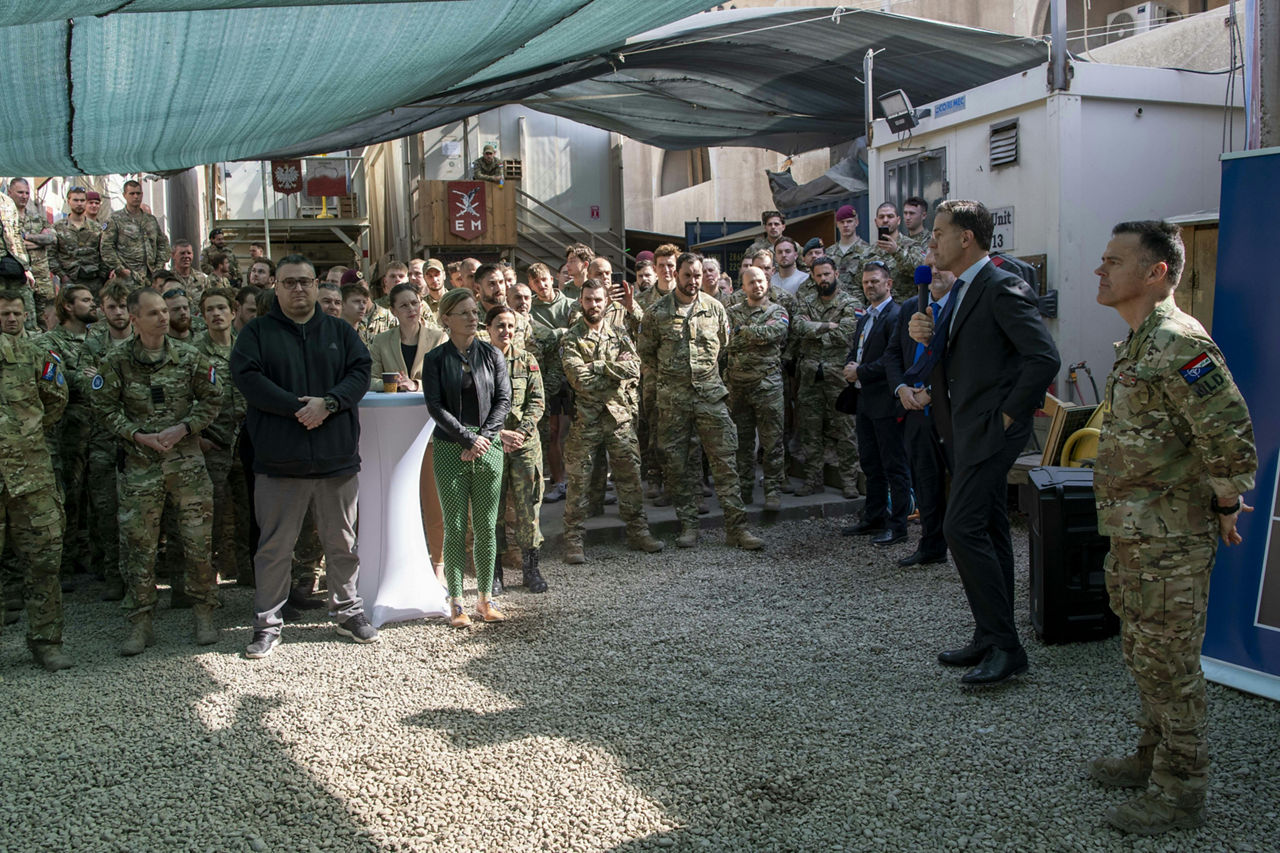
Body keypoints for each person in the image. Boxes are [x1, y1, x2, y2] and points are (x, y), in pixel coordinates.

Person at [1088, 220, 1256, 835]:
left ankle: (1180, 790)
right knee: (1144, 653)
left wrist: (1226, 504)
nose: (1100, 272)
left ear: (1155, 272)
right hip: (1137, 534)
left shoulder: (1178, 343)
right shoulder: (1140, 341)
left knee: (1170, 665)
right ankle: (1152, 755)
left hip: (1170, 540)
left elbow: (1230, 433)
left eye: (1113, 261)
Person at [907, 199, 1059, 685]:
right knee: (990, 529)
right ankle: (989, 634)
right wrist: (923, 335)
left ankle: (1007, 647)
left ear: (966, 238)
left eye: (939, 232)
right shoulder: (962, 290)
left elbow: (1043, 357)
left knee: (961, 527)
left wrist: (1009, 415)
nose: (932, 242)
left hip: (990, 432)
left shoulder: (1000, 284)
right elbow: (959, 360)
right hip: (965, 431)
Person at [231, 254, 377, 658]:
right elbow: (248, 378)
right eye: (289, 282)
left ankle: (348, 612)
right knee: (275, 548)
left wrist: (328, 403)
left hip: (335, 460)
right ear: (275, 287)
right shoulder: (257, 334)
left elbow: (359, 373)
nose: (298, 289)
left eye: (305, 282)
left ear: (317, 285)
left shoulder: (341, 333)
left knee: (343, 543)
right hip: (280, 462)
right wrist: (298, 407)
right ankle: (267, 624)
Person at [93, 287, 223, 655]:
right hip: (139, 466)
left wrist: (184, 429)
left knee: (198, 542)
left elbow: (213, 397)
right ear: (134, 319)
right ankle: (140, 621)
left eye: (165, 311)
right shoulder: (116, 361)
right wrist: (136, 435)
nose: (163, 317)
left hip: (185, 464)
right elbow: (102, 407)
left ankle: (203, 613)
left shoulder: (189, 356)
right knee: (139, 546)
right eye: (153, 313)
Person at [637, 253, 764, 551]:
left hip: (710, 396)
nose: (693, 281)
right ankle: (689, 526)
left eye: (697, 275)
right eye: (687, 276)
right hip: (674, 401)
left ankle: (737, 529)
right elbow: (647, 353)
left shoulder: (716, 308)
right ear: (676, 276)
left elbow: (724, 347)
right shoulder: (656, 313)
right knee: (678, 465)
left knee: (724, 461)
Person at [422, 288, 511, 627]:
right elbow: (435, 405)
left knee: (487, 526)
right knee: (455, 525)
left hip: (488, 447)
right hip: (449, 446)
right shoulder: (435, 359)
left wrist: (483, 438)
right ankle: (457, 600)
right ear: (446, 319)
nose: (474, 318)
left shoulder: (492, 355)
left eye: (475, 312)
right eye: (465, 313)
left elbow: (503, 400)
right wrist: (466, 437)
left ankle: (485, 600)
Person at [559, 280, 663, 563]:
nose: (594, 304)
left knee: (630, 478)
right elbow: (579, 380)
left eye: (598, 300)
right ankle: (573, 541)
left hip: (620, 419)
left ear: (607, 302)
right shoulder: (571, 338)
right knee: (579, 483)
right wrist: (610, 372)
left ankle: (638, 531)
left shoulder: (618, 333)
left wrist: (597, 366)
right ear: (581, 302)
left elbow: (633, 369)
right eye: (588, 299)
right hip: (587, 420)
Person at [0, 295, 72, 671]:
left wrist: (23, 434)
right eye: (4, 313)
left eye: (16, 313)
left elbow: (56, 399)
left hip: (31, 474)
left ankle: (46, 641)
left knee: (44, 558)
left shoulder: (35, 353)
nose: (11, 319)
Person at [368, 282, 448, 581]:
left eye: (415, 303)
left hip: (430, 429)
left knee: (434, 501)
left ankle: (438, 565)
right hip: (394, 431)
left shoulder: (438, 338)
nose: (412, 309)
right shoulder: (380, 341)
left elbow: (446, 380)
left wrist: (416, 386)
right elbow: (370, 379)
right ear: (394, 311)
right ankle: (398, 565)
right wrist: (393, 385)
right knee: (399, 501)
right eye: (404, 305)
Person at [884, 252, 954, 567]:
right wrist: (901, 389)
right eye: (930, 266)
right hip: (914, 412)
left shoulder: (960, 307)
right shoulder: (911, 307)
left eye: (943, 265)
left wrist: (932, 392)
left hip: (950, 414)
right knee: (925, 481)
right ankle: (932, 545)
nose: (935, 270)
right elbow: (894, 353)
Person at [842, 262, 909, 545]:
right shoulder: (865, 317)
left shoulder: (896, 315)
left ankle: (899, 526)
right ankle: (874, 517)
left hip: (886, 401)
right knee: (870, 463)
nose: (870, 286)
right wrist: (849, 366)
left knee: (894, 465)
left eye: (875, 282)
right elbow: (858, 350)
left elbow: (894, 359)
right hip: (864, 401)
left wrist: (861, 371)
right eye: (866, 282)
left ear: (889, 284)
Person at [487, 304, 550, 593]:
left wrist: (521, 432)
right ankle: (495, 573)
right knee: (492, 509)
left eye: (511, 326)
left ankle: (531, 570)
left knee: (529, 507)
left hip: (524, 445)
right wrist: (499, 434)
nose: (506, 331)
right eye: (500, 325)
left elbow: (537, 401)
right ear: (488, 328)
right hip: (492, 443)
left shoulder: (527, 360)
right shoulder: (479, 361)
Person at [194, 287, 252, 585]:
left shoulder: (247, 347)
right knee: (211, 514)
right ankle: (208, 578)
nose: (216, 314)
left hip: (246, 442)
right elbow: (186, 399)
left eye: (221, 308)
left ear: (233, 312)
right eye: (209, 310)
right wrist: (199, 436)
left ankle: (248, 573)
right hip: (212, 443)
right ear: (202, 316)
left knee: (249, 512)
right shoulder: (194, 353)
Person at [789, 256, 860, 498]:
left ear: (836, 274)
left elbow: (847, 334)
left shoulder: (850, 302)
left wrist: (816, 328)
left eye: (826, 274)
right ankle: (813, 480)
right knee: (810, 431)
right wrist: (830, 325)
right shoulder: (806, 302)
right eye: (818, 275)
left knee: (845, 430)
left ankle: (849, 481)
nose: (823, 279)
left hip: (839, 376)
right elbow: (798, 327)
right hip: (810, 376)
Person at [40, 284, 98, 581]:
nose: (92, 305)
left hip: (98, 425)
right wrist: (85, 377)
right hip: (68, 428)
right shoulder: (50, 341)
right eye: (86, 300)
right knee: (69, 493)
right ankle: (67, 559)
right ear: (68, 306)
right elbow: (55, 378)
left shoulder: (96, 338)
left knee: (96, 493)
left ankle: (92, 555)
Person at [83, 279, 134, 598]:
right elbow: (82, 379)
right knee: (106, 509)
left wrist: (102, 381)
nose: (118, 312)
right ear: (102, 310)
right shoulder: (94, 341)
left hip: (139, 439)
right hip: (103, 438)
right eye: (112, 307)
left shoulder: (146, 340)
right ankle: (115, 577)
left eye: (123, 306)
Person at [726, 265, 788, 511]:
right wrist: (750, 335)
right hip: (738, 387)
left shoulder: (778, 310)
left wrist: (744, 332)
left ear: (767, 283)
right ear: (743, 287)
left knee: (772, 441)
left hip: (768, 386)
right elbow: (726, 341)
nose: (757, 285)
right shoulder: (730, 312)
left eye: (760, 281)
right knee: (741, 442)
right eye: (751, 282)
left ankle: (772, 490)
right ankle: (744, 488)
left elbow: (775, 332)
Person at [526, 261, 580, 502]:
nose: (541, 284)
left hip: (575, 374)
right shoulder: (530, 309)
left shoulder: (570, 305)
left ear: (553, 278)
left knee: (578, 430)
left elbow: (577, 332)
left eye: (544, 279)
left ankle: (582, 482)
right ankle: (559, 481)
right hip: (549, 377)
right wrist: (559, 333)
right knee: (554, 432)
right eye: (536, 282)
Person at [8, 178, 56, 330]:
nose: (24, 196)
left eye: (27, 193)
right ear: (9, 192)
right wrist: (39, 243)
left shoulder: (38, 218)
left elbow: (52, 238)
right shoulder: (7, 220)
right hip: (20, 278)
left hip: (42, 279)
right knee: (25, 321)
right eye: (20, 192)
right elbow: (9, 243)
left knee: (47, 321)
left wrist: (26, 237)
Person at [100, 179, 170, 282]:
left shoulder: (150, 220)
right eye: (132, 193)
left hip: (150, 277)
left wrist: (159, 266)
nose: (136, 197)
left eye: (138, 193)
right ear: (125, 195)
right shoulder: (115, 219)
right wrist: (120, 269)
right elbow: (106, 247)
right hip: (128, 277)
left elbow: (162, 243)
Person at [864, 202, 926, 301]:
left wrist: (896, 251)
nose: (885, 220)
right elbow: (858, 284)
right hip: (877, 310)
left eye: (890, 216)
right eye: (881, 217)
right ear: (876, 222)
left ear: (898, 220)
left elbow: (921, 271)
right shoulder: (868, 252)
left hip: (903, 309)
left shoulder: (911, 246)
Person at [52, 185, 106, 295]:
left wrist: (103, 275)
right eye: (75, 200)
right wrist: (63, 276)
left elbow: (104, 253)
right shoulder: (57, 228)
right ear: (68, 201)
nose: (79, 203)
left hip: (94, 281)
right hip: (70, 281)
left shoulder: (97, 228)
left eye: (82, 200)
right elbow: (51, 255)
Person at [828, 204, 869, 304]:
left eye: (849, 221)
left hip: (858, 305)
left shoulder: (868, 250)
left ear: (856, 222)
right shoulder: (828, 253)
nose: (845, 225)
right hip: (833, 306)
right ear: (837, 225)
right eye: (842, 222)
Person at [168, 240, 208, 307]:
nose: (186, 256)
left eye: (189, 253)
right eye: (182, 253)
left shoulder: (202, 278)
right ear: (173, 255)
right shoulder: (168, 279)